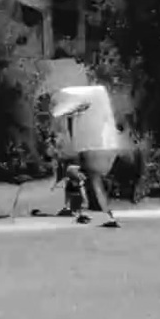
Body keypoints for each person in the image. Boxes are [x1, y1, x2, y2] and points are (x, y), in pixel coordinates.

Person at [49, 86, 123, 228]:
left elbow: (58, 112)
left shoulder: (83, 100)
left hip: (93, 146)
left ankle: (102, 214)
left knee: (92, 179)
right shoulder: (97, 100)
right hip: (94, 145)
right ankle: (94, 212)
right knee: (88, 179)